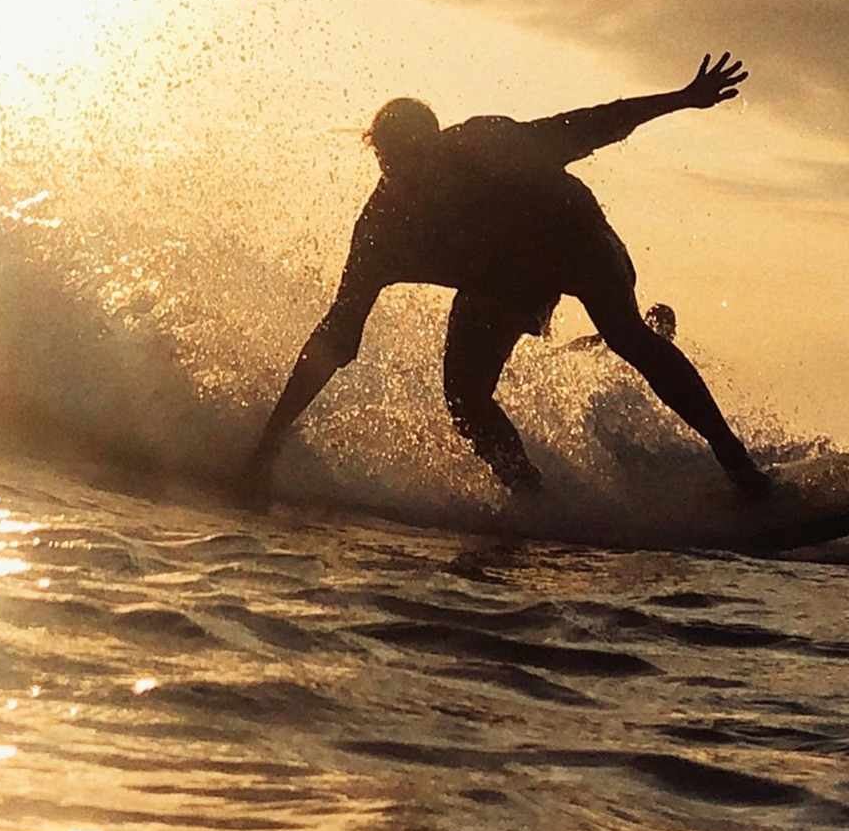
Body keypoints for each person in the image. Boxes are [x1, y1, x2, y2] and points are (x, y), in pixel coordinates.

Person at [238, 54, 775, 505]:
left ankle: (743, 472)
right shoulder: (383, 229)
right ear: (379, 158)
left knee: (625, 335)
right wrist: (267, 444)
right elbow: (336, 336)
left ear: (438, 141)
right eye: (393, 164)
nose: (408, 177)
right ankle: (532, 497)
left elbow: (591, 122)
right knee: (464, 397)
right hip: (501, 278)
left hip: (573, 238)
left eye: (417, 159)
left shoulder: (486, 146)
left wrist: (682, 98)